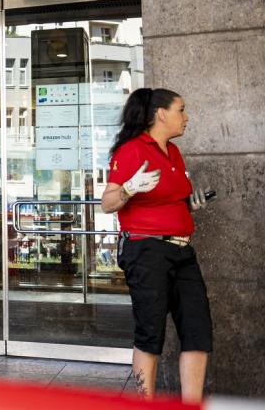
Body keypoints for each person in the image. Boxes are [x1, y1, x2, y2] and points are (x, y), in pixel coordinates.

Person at [101, 88, 212, 403]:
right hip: (147, 251)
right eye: (181, 109)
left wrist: (190, 204)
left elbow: (167, 200)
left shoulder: (173, 152)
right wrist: (129, 188)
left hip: (182, 250)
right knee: (150, 334)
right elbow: (108, 203)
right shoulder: (131, 151)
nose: (186, 117)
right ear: (161, 113)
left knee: (197, 331)